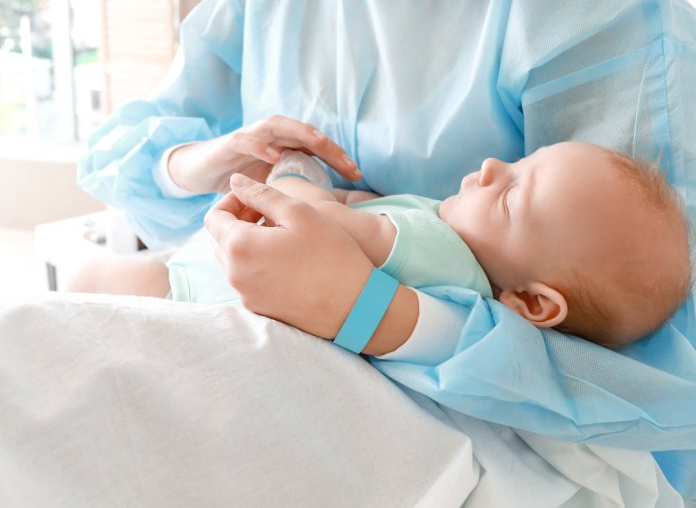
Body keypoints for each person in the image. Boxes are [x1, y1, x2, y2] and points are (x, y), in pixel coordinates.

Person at [77, 0, 696, 456]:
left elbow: (652, 378)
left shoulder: (598, 10)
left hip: (462, 442)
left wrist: (378, 311)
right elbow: (132, 155)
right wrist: (210, 159)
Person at [71, 142, 693, 353]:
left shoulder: (438, 249)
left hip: (198, 290)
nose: (490, 166)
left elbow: (321, 221)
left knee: (87, 283)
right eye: (520, 161)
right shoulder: (445, 242)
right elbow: (361, 212)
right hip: (218, 284)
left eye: (510, 195)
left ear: (533, 303)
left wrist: (293, 175)